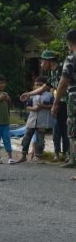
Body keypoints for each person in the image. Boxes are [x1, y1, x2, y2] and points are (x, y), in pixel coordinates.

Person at [19, 50, 68, 161]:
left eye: (42, 61)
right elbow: (44, 88)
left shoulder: (62, 69)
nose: (41, 64)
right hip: (60, 103)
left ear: (48, 61)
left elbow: (61, 87)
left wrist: (54, 103)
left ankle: (68, 155)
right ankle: (60, 154)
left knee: (67, 130)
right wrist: (28, 94)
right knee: (57, 130)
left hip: (67, 103)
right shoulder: (53, 73)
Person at [52, 30, 76, 173]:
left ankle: (73, 159)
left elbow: (63, 82)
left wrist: (56, 102)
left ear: (70, 43)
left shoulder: (71, 59)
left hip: (74, 96)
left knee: (73, 127)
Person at [16, 77, 54, 163]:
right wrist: (34, 109)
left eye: (41, 85)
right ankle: (23, 155)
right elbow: (28, 106)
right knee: (26, 137)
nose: (38, 87)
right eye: (37, 85)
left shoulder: (49, 95)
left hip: (42, 121)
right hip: (32, 120)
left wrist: (42, 107)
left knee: (40, 140)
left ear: (46, 86)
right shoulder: (32, 95)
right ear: (34, 85)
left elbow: (53, 106)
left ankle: (38, 157)